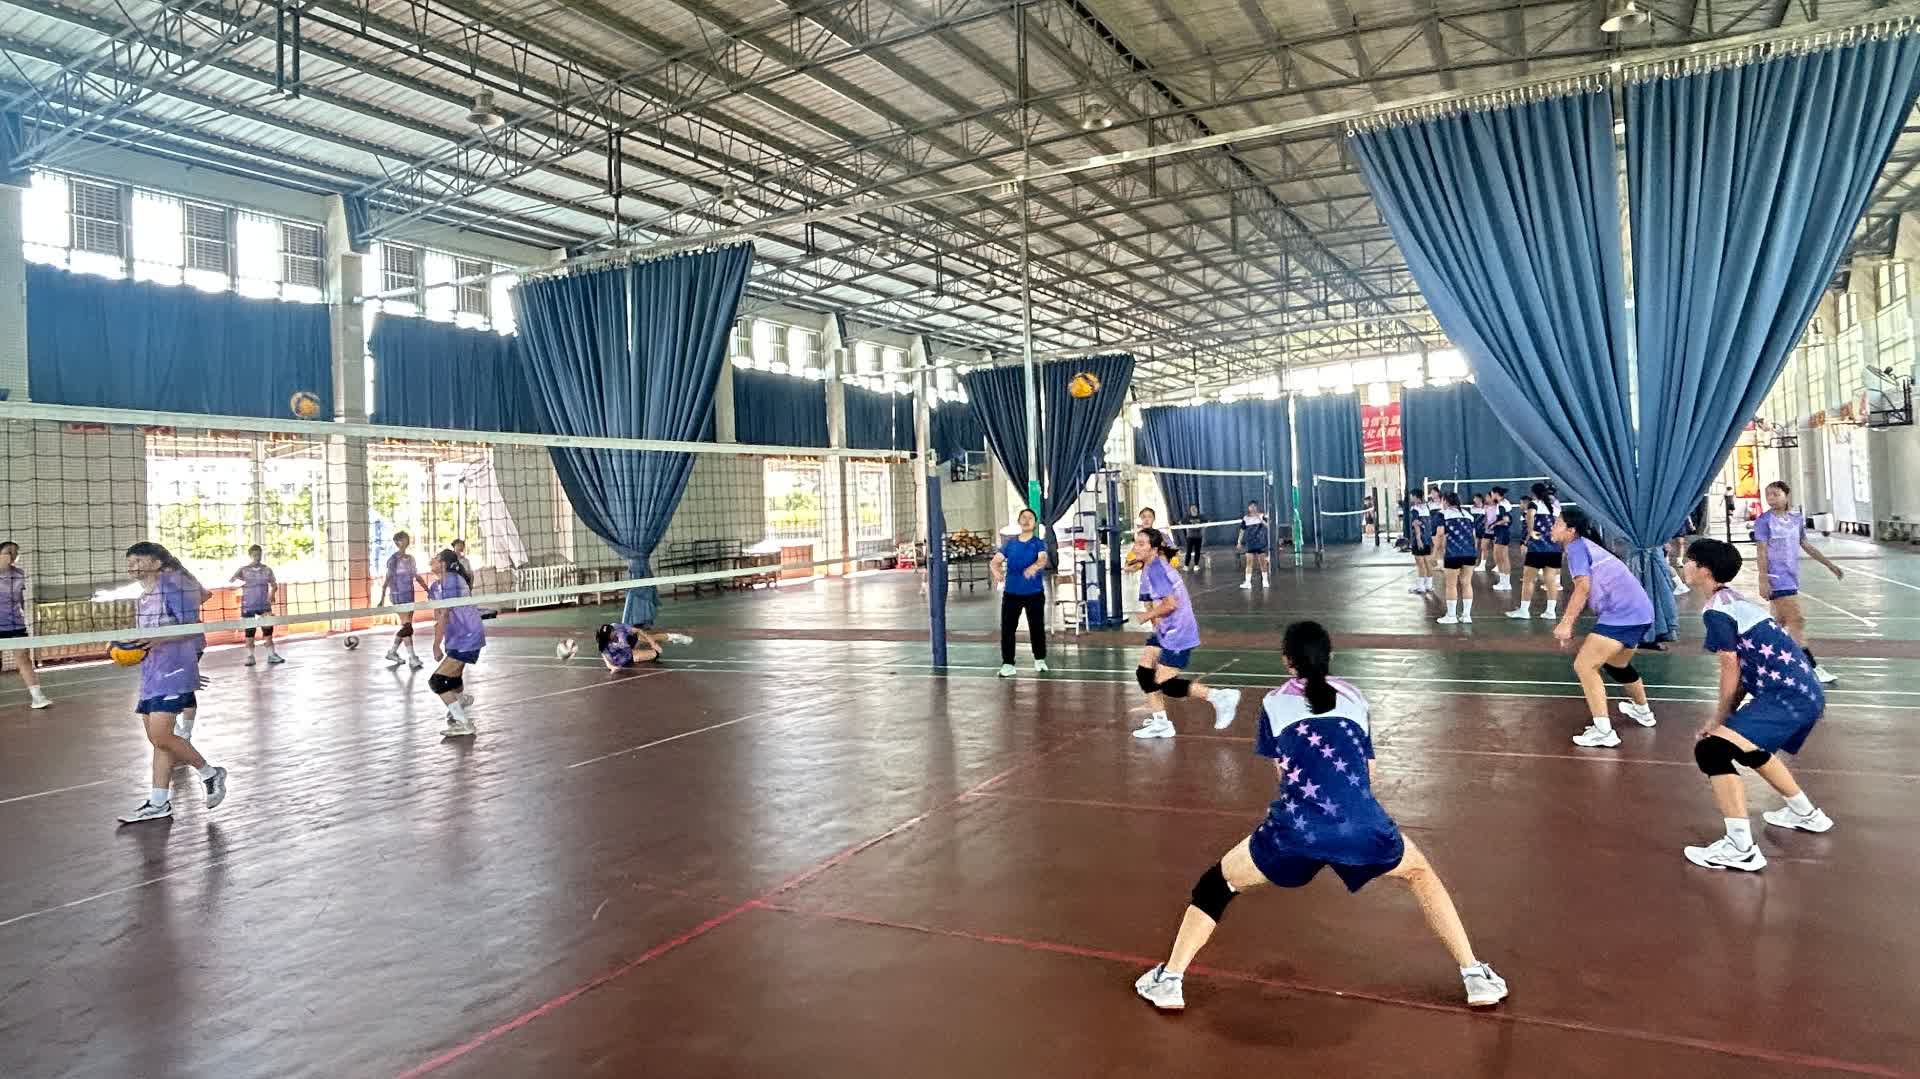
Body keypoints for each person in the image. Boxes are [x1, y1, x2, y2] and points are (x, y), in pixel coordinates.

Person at [1134, 621, 1507, 1011]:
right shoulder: (1355, 697)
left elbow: (1284, 774)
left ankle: (1170, 980)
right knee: (1419, 873)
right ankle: (1474, 975)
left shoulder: (1273, 703)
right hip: (1362, 824)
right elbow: (1369, 772)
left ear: (1286, 660)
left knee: (1217, 886)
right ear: (1330, 657)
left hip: (1296, 830)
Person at [1678, 539, 1834, 871]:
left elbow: (1730, 667)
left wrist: (1718, 719)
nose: (1683, 565)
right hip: (1804, 692)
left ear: (1704, 570)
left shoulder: (1717, 611)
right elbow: (1745, 672)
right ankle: (1805, 813)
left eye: (1689, 560)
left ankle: (1741, 848)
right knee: (1748, 747)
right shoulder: (1733, 601)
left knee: (1712, 751)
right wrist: (1726, 718)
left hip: (1786, 695)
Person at [117, 542, 228, 824]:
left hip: (173, 669)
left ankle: (210, 774)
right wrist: (127, 645)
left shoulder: (172, 585)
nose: (132, 566)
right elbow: (148, 635)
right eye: (130, 561)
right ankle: (158, 803)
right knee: (158, 741)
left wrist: (161, 641)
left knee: (162, 736)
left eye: (139, 560)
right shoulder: (143, 597)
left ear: (157, 563)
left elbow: (191, 628)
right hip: (152, 672)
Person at [1551, 506, 1658, 749]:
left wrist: (1566, 623)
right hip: (1640, 612)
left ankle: (1603, 732)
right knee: (1617, 664)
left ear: (1571, 530)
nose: (1552, 527)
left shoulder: (1576, 547)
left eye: (1557, 523)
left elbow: (1583, 587)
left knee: (1584, 665)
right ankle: (1643, 712)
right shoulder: (1585, 545)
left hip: (1623, 613)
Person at [1129, 527, 1241, 740]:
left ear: (1154, 549)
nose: (1136, 547)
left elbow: (1171, 604)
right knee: (1145, 672)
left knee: (1165, 684)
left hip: (1178, 631)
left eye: (1141, 544)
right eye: (1136, 542)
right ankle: (1161, 723)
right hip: (1165, 628)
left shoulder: (1157, 570)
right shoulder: (1151, 567)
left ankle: (1219, 697)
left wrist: (1147, 616)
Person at [1752, 481, 1842, 685]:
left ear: (1786, 495)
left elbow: (1805, 544)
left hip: (1791, 576)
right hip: (1776, 578)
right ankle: (1811, 667)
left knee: (1778, 624)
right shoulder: (1764, 521)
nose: (1771, 498)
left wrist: (1829, 565)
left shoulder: (1796, 519)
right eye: (1768, 494)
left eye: (1775, 494)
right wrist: (1763, 578)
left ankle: (1758, 662)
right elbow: (1761, 551)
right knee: (1796, 621)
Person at [428, 548, 484, 737]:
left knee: (437, 682)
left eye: (435, 558)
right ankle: (460, 700)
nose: (431, 560)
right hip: (456, 636)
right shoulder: (436, 586)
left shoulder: (452, 580)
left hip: (467, 635)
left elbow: (445, 613)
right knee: (453, 678)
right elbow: (438, 615)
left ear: (443, 564)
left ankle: (463, 723)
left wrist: (435, 644)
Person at [992, 508, 1050, 678]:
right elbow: (995, 561)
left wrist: (1034, 567)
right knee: (1008, 629)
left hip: (1034, 593)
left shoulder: (1038, 543)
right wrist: (996, 571)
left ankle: (1040, 659)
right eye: (1023, 517)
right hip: (1012, 594)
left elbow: (1042, 559)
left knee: (1036, 627)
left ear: (1035, 523)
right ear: (1019, 521)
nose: (1026, 520)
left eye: (1030, 518)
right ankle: (1008, 664)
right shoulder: (1010, 544)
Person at [0, 541, 51, 709]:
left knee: (24, 659)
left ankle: (38, 698)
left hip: (15, 625)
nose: (13, 555)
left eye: (15, 552)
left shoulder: (19, 574)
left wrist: (21, 614)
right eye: (9, 552)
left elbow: (19, 598)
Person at [1505, 482, 1562, 621]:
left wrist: (1530, 531)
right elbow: (1560, 524)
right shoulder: (1555, 507)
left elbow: (1530, 515)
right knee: (1551, 580)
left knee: (1528, 580)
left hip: (1537, 548)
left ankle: (1524, 611)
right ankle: (1550, 612)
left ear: (1533, 493)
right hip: (1554, 548)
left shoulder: (1534, 504)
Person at [230, 544, 284, 667]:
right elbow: (231, 583)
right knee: (249, 632)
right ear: (250, 555)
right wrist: (238, 582)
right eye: (255, 555)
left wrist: (272, 594)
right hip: (248, 606)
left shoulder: (267, 570)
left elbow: (274, 585)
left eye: (259, 554)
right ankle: (250, 657)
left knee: (268, 631)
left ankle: (271, 655)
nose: (257, 557)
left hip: (264, 605)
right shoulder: (243, 570)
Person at [378, 531, 424, 670]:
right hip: (398, 595)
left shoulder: (410, 559)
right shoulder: (393, 560)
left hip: (409, 595)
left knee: (407, 627)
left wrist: (428, 589)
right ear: (397, 542)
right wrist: (382, 598)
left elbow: (416, 576)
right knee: (407, 627)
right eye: (403, 539)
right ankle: (412, 657)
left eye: (406, 539)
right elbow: (387, 579)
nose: (406, 541)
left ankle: (392, 652)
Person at [1434, 491, 1479, 625]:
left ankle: (1451, 616)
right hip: (1470, 553)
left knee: (1451, 585)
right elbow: (1474, 536)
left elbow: (1440, 534)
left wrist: (1436, 552)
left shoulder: (1442, 514)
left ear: (1446, 501)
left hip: (1453, 553)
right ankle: (1466, 616)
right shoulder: (1468, 515)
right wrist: (1475, 552)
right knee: (1467, 583)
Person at [1406, 487, 1438, 595]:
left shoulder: (1415, 509)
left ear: (1416, 497)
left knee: (1420, 564)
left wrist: (1418, 539)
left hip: (1419, 540)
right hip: (1428, 539)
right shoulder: (1427, 507)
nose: (1411, 498)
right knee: (1427, 562)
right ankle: (1428, 585)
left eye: (1411, 496)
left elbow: (1416, 524)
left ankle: (1421, 587)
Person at [598, 622, 665, 669]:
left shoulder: (617, 627)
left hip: (628, 646)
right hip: (624, 657)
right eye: (611, 631)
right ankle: (635, 654)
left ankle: (666, 637)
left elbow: (639, 630)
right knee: (655, 654)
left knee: (655, 651)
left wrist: (653, 644)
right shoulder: (603, 644)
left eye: (612, 629)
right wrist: (612, 667)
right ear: (607, 636)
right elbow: (607, 660)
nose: (614, 631)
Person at [1235, 501, 1270, 590]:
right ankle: (1248, 582)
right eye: (1251, 506)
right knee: (1249, 563)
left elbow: (1268, 526)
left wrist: (1261, 519)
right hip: (1250, 544)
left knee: (1263, 563)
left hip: (1260, 543)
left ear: (1256, 507)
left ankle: (1265, 581)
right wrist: (1239, 541)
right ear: (1249, 508)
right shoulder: (1246, 518)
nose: (1253, 508)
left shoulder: (1262, 516)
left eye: (1254, 506)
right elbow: (1242, 531)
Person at [1487, 487, 1514, 592]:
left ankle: (1506, 583)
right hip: (1502, 532)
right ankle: (1503, 582)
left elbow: (1506, 519)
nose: (1491, 496)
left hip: (1502, 533)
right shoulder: (1503, 503)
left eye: (1492, 494)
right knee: (1500, 557)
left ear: (1496, 494)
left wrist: (1494, 524)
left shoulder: (1502, 505)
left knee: (1502, 557)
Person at [1180, 503, 1205, 572]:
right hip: (1190, 537)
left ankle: (1196, 565)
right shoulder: (1187, 517)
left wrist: (1205, 525)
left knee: (1197, 552)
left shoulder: (1201, 517)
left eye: (1195, 508)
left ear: (1197, 509)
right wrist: (1182, 525)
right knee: (1188, 552)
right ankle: (1186, 566)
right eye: (1192, 508)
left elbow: (1207, 522)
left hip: (1198, 537)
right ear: (1190, 510)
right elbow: (1181, 522)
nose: (1193, 509)